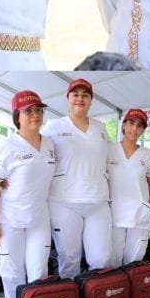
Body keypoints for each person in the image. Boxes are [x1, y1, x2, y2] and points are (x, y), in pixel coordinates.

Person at [0, 91, 56, 298]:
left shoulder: (50, 144)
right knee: (12, 276)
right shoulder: (6, 146)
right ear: (17, 116)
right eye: (29, 111)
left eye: (39, 110)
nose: (35, 115)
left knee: (39, 274)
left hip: (39, 220)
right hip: (10, 222)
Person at [41, 78, 111, 279]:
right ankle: (70, 294)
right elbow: (35, 151)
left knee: (101, 260)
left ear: (91, 100)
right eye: (75, 95)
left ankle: (94, 294)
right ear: (68, 99)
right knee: (69, 258)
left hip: (98, 201)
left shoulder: (101, 127)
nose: (80, 99)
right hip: (63, 202)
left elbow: (110, 158)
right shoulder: (53, 126)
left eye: (85, 95)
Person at [107, 109, 150, 267]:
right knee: (113, 259)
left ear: (143, 130)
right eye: (131, 123)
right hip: (114, 213)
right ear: (123, 125)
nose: (134, 129)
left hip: (140, 213)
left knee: (134, 260)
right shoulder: (109, 150)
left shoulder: (146, 154)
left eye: (139, 125)